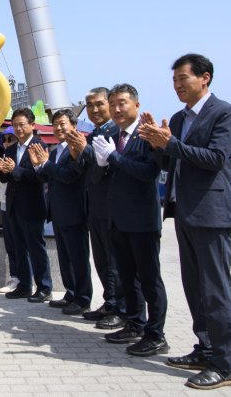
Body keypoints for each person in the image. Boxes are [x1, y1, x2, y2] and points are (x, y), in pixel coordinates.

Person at [139, 53, 231, 390]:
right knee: (194, 287)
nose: (178, 85)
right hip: (183, 211)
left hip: (211, 213)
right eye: (175, 80)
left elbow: (215, 159)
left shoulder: (223, 113)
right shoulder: (181, 119)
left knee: (216, 291)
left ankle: (225, 365)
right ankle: (205, 347)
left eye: (184, 78)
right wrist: (156, 142)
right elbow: (171, 159)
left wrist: (173, 145)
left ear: (205, 78)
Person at [92, 83, 169, 358]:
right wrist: (103, 162)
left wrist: (113, 157)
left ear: (136, 104)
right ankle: (134, 323)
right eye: (112, 104)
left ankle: (156, 334)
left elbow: (149, 172)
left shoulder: (147, 133)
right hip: (118, 220)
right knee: (127, 278)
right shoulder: (113, 134)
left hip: (143, 221)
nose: (116, 109)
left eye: (122, 103)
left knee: (149, 279)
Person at [66, 87, 126, 330]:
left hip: (113, 207)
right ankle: (109, 302)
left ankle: (120, 308)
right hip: (96, 207)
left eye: (99, 104)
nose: (94, 110)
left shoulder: (115, 132)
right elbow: (85, 168)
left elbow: (110, 165)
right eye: (90, 105)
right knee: (101, 260)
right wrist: (77, 152)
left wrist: (84, 150)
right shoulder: (92, 135)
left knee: (114, 262)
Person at [28, 109, 92, 315]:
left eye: (63, 124)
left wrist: (46, 164)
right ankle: (71, 293)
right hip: (58, 212)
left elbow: (69, 176)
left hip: (74, 211)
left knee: (78, 257)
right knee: (65, 258)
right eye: (55, 125)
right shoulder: (55, 151)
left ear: (74, 126)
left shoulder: (78, 147)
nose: (59, 128)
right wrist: (39, 167)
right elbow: (49, 179)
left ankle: (83, 298)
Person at [0, 107, 53, 303]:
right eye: (15, 125)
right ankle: (24, 286)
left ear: (31, 125)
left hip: (33, 205)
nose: (18, 129)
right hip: (13, 205)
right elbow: (5, 177)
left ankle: (44, 287)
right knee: (19, 248)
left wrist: (15, 170)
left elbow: (41, 176)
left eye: (22, 125)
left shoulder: (40, 146)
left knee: (36, 248)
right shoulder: (11, 148)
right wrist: (3, 170)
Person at [0, 127, 20, 293]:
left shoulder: (22, 158)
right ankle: (15, 278)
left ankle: (27, 279)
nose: (6, 143)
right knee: (11, 245)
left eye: (10, 139)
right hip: (5, 205)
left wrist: (6, 171)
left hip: (21, 207)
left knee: (23, 245)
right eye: (5, 140)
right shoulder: (4, 158)